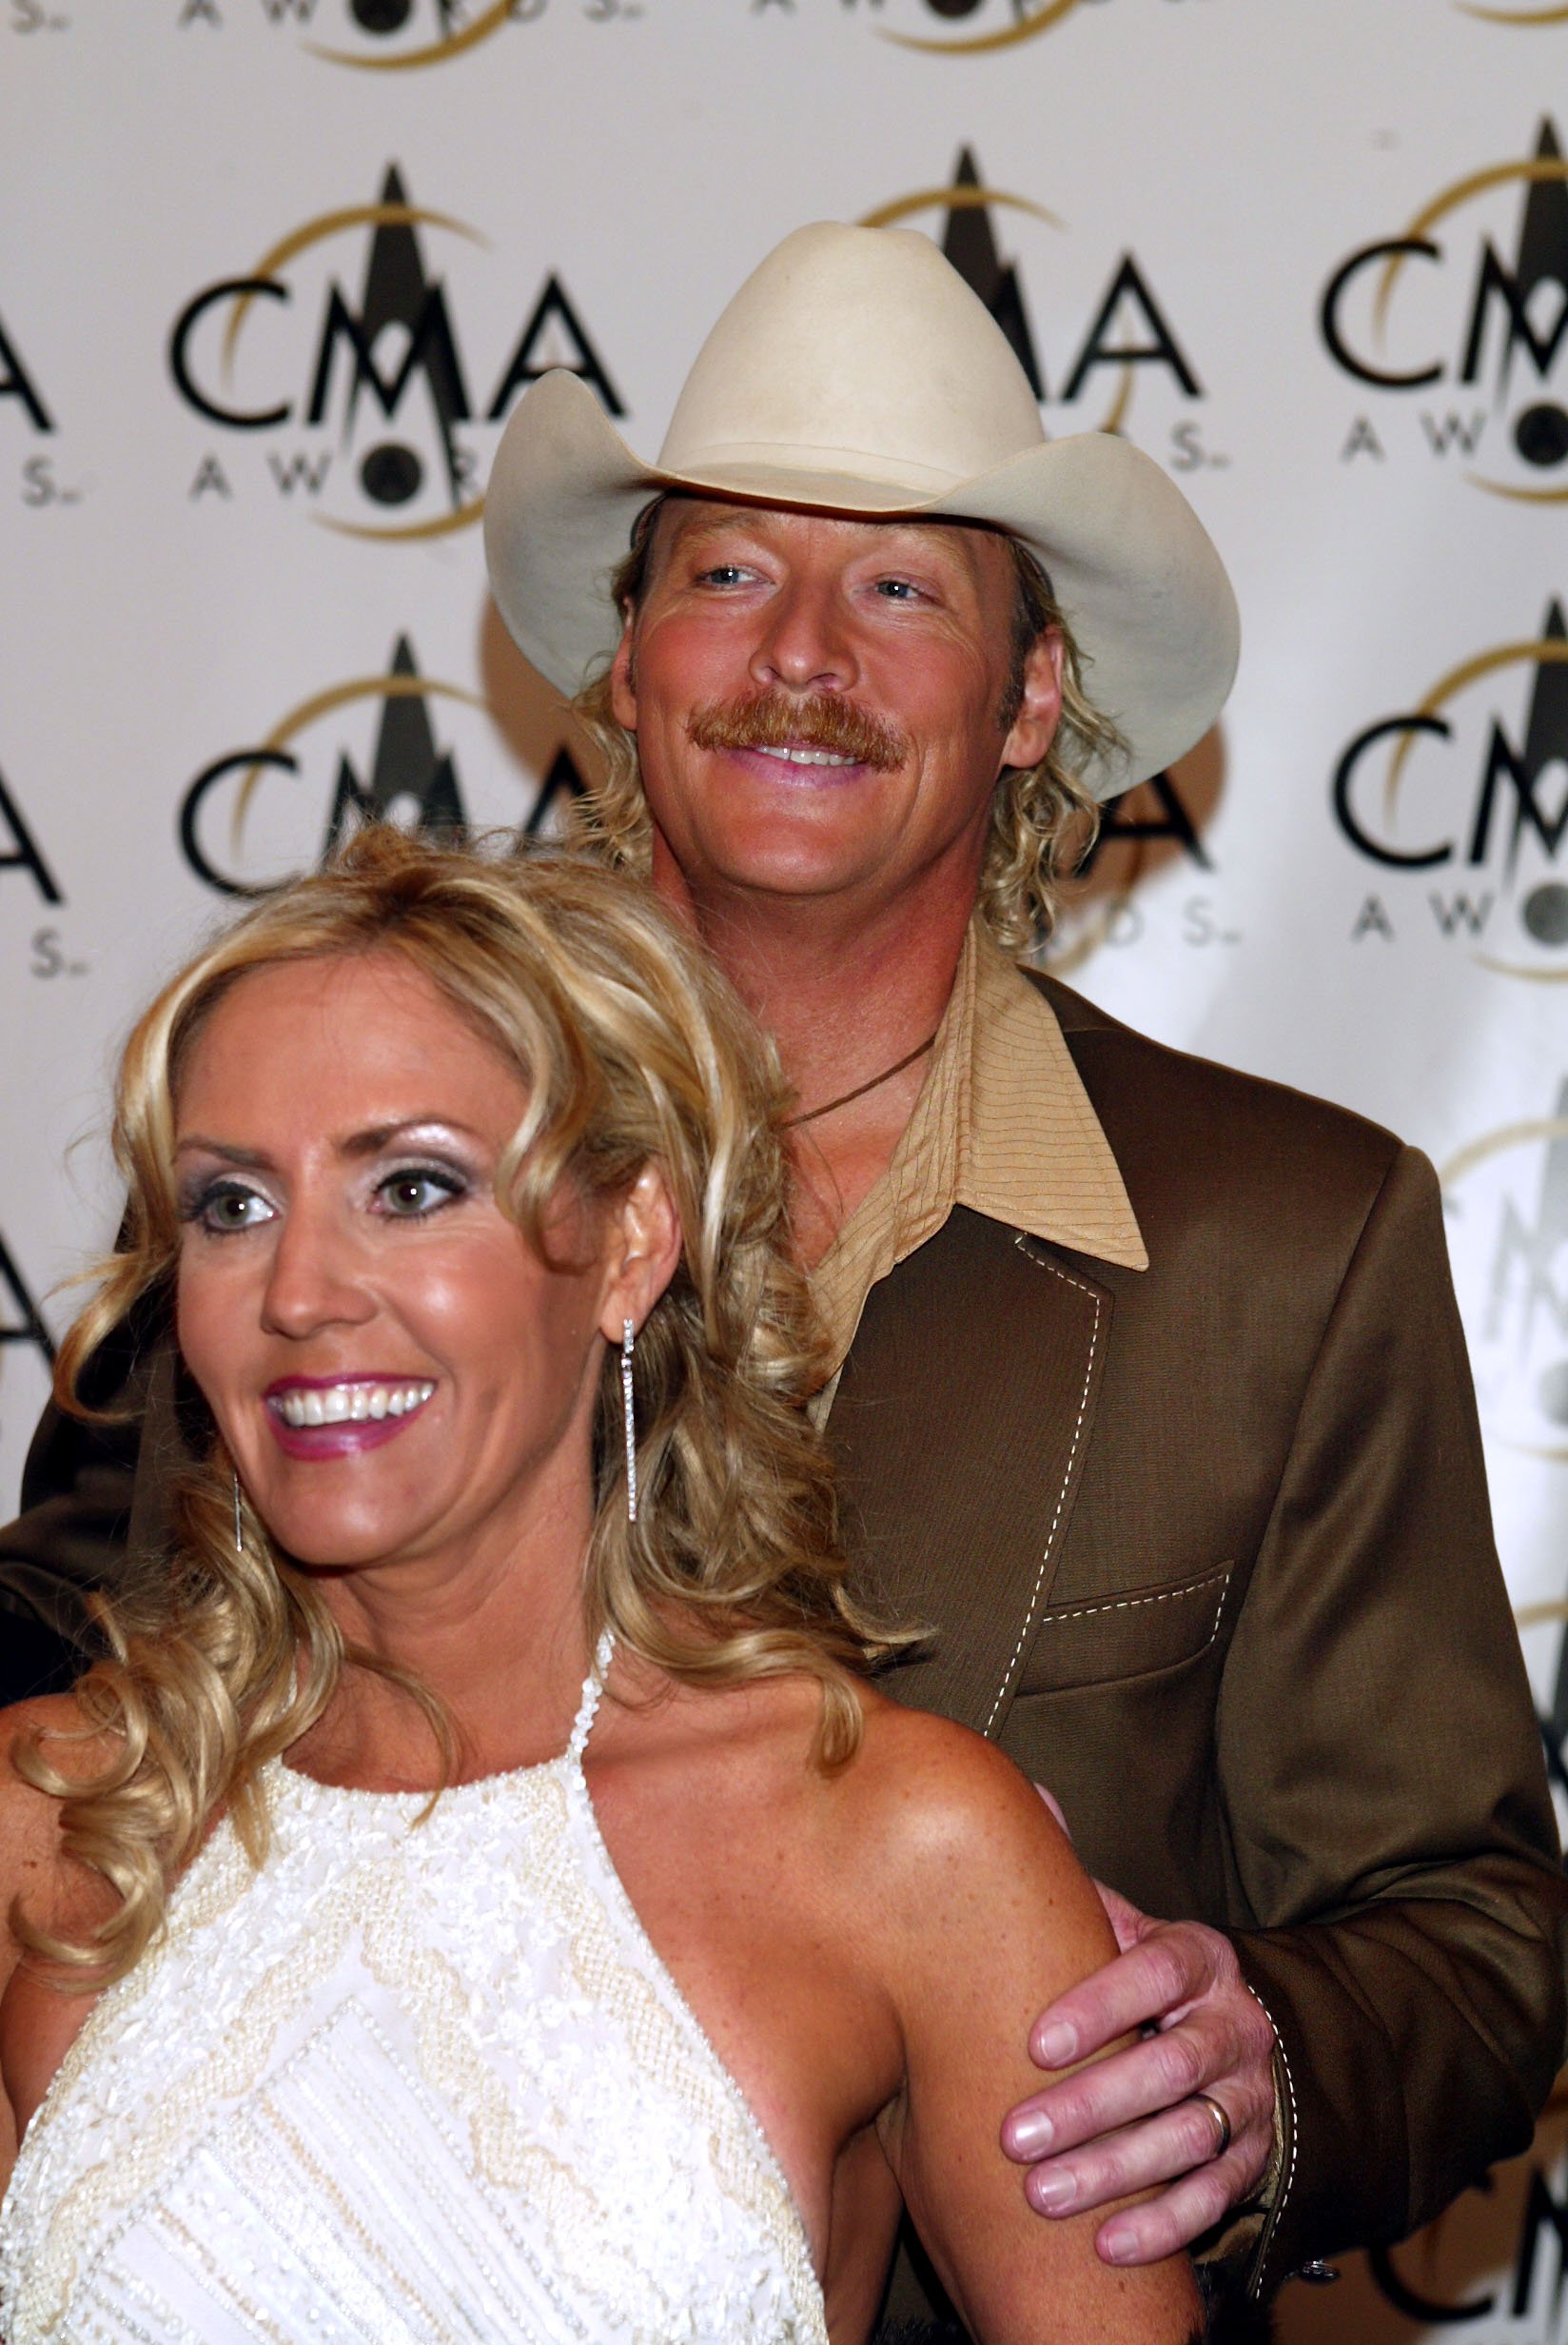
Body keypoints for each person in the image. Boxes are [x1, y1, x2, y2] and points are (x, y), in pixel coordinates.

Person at [2, 222, 1564, 2325]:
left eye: (901, 587)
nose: (799, 655)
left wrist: (1252, 2064)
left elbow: (1467, 1930)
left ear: (1030, 699)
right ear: (623, 657)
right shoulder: (346, 1116)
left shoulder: (1279, 1241)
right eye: (727, 572)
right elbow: (60, 1624)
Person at [0, 829, 1202, 2345]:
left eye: (413, 1187)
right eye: (233, 1206)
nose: (298, 1290)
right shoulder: (48, 1821)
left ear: (631, 1241)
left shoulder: (907, 1846)